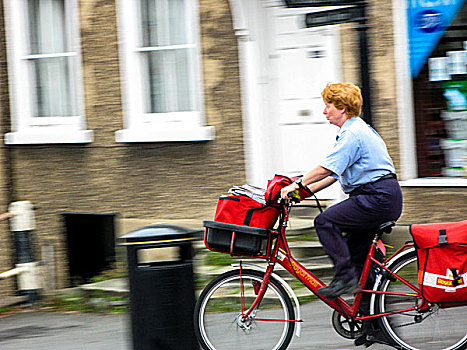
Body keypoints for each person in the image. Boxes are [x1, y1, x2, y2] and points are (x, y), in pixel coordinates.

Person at [280, 82, 403, 300]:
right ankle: (375, 328)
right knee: (359, 262)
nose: (324, 111)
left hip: (375, 198)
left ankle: (344, 279)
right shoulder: (354, 131)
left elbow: (325, 168)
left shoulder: (353, 134)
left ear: (342, 108)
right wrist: (298, 195)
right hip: (378, 197)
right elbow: (332, 175)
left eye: (328, 105)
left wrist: (295, 185)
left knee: (325, 222)